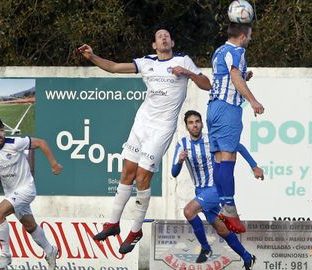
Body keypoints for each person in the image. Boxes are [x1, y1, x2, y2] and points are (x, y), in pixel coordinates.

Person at [77, 25, 212, 254]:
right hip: (141, 124)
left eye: (167, 35)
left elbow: (206, 84)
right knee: (127, 172)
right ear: (154, 45)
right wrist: (92, 57)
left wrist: (187, 73)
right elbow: (113, 67)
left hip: (161, 129)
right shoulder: (146, 61)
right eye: (159, 36)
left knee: (142, 177)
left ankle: (136, 229)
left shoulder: (184, 60)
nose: (164, 38)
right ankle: (113, 223)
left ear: (172, 43)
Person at [172, 110, 262, 268]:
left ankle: (206, 249)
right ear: (186, 126)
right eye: (191, 122)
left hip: (214, 189)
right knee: (223, 231)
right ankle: (247, 257)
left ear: (202, 123)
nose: (195, 125)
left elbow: (237, 147)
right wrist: (180, 161)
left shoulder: (211, 139)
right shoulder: (182, 144)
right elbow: (174, 172)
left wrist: (254, 166)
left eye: (197, 121)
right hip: (200, 191)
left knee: (188, 211)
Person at [206, 22, 264, 233]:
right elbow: (234, 77)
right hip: (228, 108)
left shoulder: (219, 50)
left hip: (213, 108)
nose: (250, 39)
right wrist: (253, 100)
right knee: (229, 158)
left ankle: (222, 205)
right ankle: (230, 209)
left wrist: (242, 76)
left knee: (220, 159)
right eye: (249, 35)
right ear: (242, 36)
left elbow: (225, 76)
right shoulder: (237, 51)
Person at [0, 118, 63, 269]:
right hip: (11, 193)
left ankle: (5, 255)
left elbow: (42, 143)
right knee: (30, 226)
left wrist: (54, 164)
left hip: (26, 189)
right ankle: (50, 250)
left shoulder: (14, 143)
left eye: (1, 130)